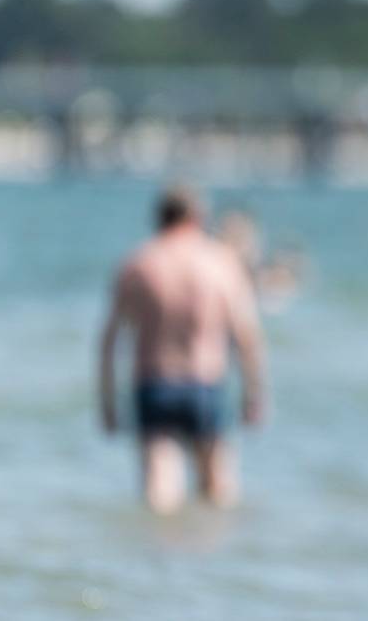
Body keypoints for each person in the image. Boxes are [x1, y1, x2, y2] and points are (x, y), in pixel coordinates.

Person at [97, 185, 269, 514]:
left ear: (158, 217)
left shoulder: (139, 263)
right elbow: (248, 336)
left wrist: (107, 404)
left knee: (159, 492)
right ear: (198, 216)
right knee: (219, 492)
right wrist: (254, 395)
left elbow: (109, 341)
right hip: (206, 383)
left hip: (154, 384)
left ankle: (158, 560)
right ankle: (221, 559)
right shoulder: (221, 262)